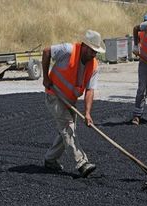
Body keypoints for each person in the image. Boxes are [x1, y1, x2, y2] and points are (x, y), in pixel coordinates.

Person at [42, 30, 106, 177]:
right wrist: (45, 77)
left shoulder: (94, 66)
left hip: (70, 100)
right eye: (92, 51)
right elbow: (46, 52)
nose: (93, 55)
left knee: (66, 132)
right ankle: (82, 163)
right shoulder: (67, 50)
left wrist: (88, 112)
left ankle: (50, 159)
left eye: (96, 52)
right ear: (84, 46)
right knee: (68, 128)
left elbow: (90, 90)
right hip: (54, 95)